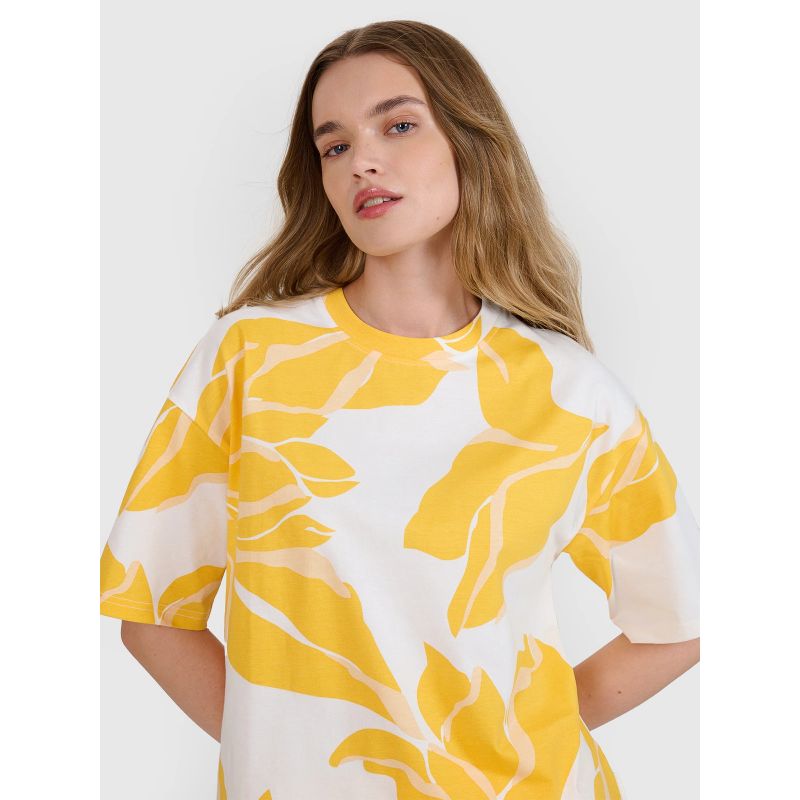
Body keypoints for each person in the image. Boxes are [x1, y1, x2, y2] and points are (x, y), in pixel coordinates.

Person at [99, 19, 700, 800]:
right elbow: (152, 612)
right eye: (334, 145)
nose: (363, 160)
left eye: (400, 125)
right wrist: (296, 760)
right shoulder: (248, 359)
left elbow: (679, 622)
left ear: (470, 142)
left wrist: (501, 735)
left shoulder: (570, 390)